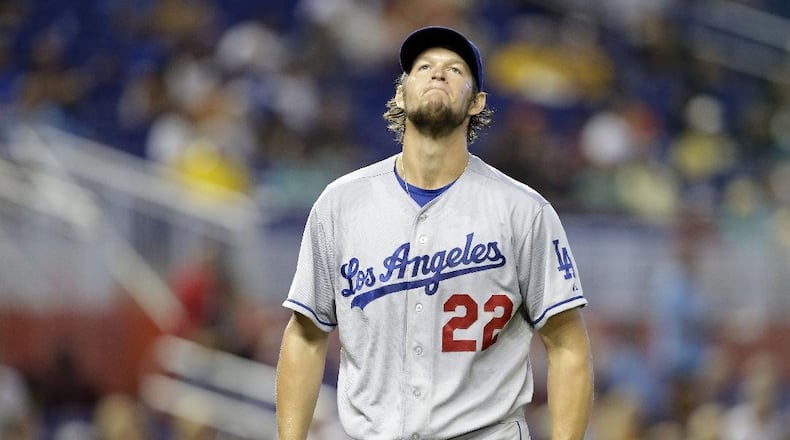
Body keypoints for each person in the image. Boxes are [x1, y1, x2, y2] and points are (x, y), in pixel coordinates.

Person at [276, 26, 593, 440]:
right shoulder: (341, 205)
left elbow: (568, 345)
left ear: (477, 102)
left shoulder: (523, 211)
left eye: (455, 69)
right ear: (400, 95)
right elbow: (305, 335)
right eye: (424, 67)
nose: (438, 73)